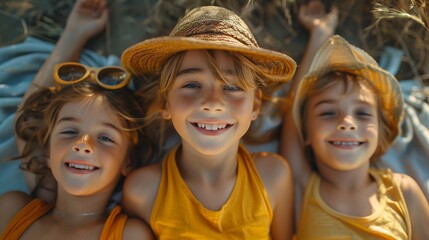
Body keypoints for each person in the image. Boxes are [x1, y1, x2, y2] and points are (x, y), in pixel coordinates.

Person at [121, 5, 296, 239]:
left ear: (254, 105)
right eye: (192, 85)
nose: (213, 103)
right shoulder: (143, 191)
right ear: (165, 103)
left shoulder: (273, 177)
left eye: (232, 87)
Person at [281, 35, 429, 239]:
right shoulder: (302, 189)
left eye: (362, 113)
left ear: (380, 130)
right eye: (327, 113)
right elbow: (292, 110)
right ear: (305, 132)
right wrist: (318, 35)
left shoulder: (404, 192)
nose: (347, 122)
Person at [0, 62, 154, 239]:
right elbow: (26, 119)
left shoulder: (129, 235)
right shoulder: (12, 210)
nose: (82, 144)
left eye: (105, 138)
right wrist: (74, 34)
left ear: (128, 161)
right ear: (48, 153)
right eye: (69, 132)